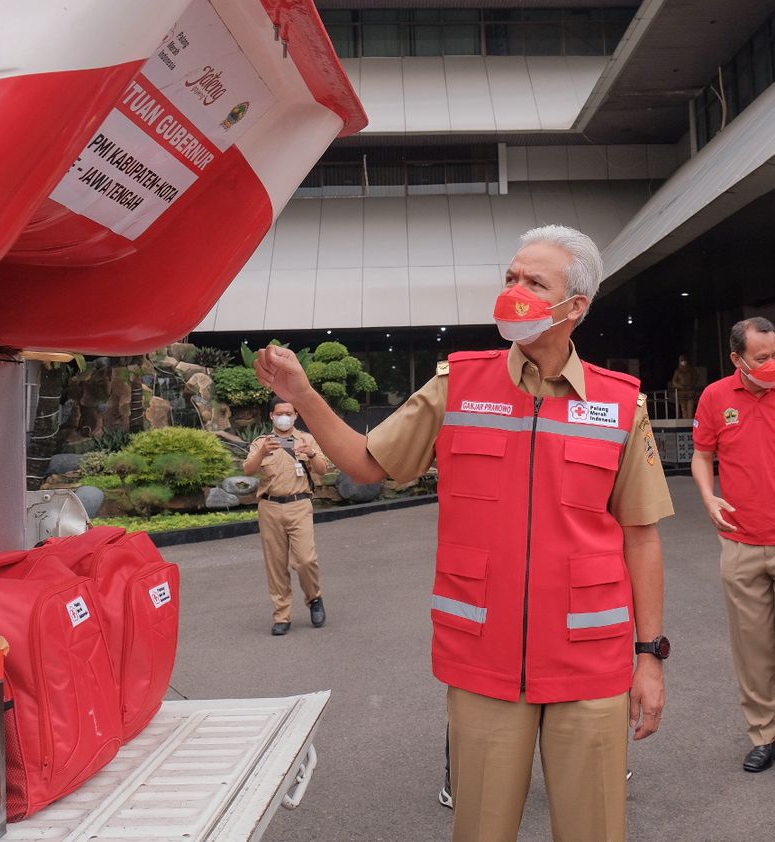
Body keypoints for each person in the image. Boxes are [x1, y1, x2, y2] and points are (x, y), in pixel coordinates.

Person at [254, 224, 672, 842]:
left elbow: (642, 536)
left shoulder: (619, 405)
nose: (514, 291)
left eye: (535, 282)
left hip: (590, 662)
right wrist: (304, 395)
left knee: (595, 831)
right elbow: (369, 463)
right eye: (510, 277)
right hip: (484, 662)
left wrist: (650, 657)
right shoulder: (459, 385)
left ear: (576, 307)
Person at [691, 317, 775, 786]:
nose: (773, 364)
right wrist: (709, 498)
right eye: (762, 358)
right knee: (752, 649)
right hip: (740, 540)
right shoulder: (715, 398)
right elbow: (701, 454)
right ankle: (764, 735)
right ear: (737, 359)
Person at [241, 399, 331, 635]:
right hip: (270, 507)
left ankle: (314, 598)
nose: (284, 417)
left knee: (305, 559)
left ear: (295, 415)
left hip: (299, 504)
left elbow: (322, 469)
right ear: (271, 416)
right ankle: (282, 615)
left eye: (288, 413)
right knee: (276, 564)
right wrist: (261, 453)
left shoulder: (306, 439)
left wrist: (311, 454)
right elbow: (248, 469)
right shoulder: (262, 442)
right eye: (279, 413)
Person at [671, 355, 700, 420]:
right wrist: (680, 386)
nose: (683, 362)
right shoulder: (677, 371)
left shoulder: (692, 370)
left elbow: (696, 379)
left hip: (690, 392)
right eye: (681, 361)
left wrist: (691, 385)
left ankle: (689, 423)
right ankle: (685, 423)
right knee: (683, 409)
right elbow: (674, 381)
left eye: (684, 360)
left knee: (690, 410)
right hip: (681, 393)